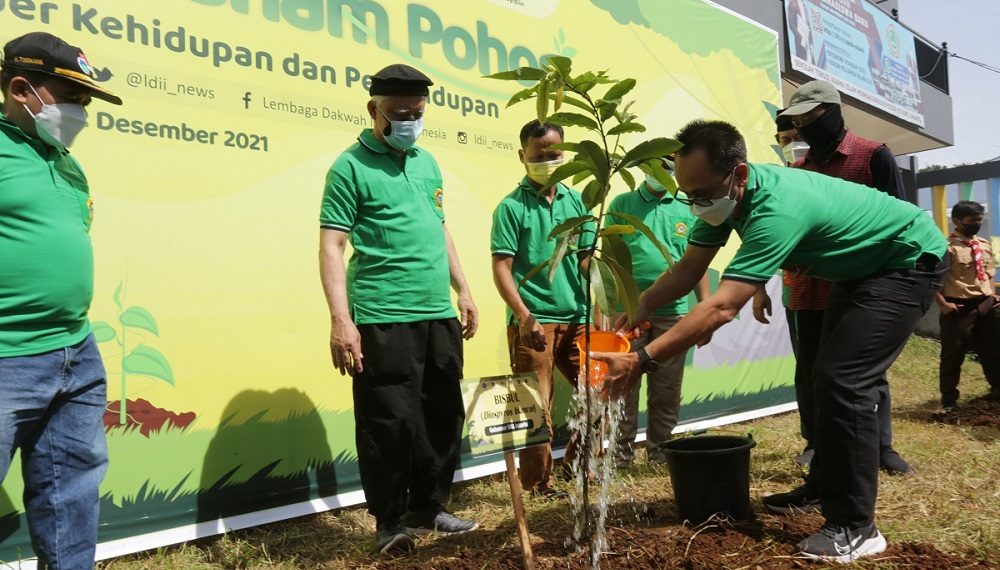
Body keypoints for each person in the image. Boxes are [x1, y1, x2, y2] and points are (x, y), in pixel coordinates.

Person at [594, 120, 947, 563]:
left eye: (702, 193)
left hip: (907, 259)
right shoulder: (724, 200)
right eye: (688, 194)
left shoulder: (777, 207)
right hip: (860, 269)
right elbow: (687, 270)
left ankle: (857, 527)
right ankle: (823, 487)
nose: (695, 204)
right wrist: (640, 306)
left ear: (738, 175)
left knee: (846, 382)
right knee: (823, 379)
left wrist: (642, 360)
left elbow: (722, 307)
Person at [319, 63, 479, 555]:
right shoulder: (349, 166)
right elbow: (332, 245)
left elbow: (440, 228)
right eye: (400, 113)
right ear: (374, 110)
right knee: (387, 421)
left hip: (437, 314)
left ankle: (428, 506)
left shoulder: (427, 162)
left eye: (417, 112)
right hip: (382, 317)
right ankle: (390, 521)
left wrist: (464, 290)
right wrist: (342, 321)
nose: (410, 120)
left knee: (440, 413)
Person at [0, 31, 123, 568]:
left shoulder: (65, 161)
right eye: (72, 100)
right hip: (7, 357)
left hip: (75, 351)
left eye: (86, 102)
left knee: (71, 492)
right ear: (22, 88)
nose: (82, 113)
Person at [766, 80, 913, 476]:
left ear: (832, 111)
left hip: (856, 287)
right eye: (796, 119)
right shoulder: (797, 172)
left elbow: (898, 221)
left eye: (810, 116)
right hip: (805, 290)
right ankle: (816, 443)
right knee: (811, 369)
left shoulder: (873, 157)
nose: (803, 125)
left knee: (865, 370)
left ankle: (881, 446)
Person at [490, 120, 594, 499]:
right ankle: (538, 484)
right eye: (539, 157)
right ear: (522, 157)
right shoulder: (511, 207)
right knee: (536, 410)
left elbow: (585, 259)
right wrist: (524, 315)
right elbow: (501, 266)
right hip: (534, 321)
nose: (548, 162)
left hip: (577, 316)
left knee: (596, 394)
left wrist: (598, 305)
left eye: (555, 155)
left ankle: (579, 469)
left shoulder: (576, 201)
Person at [604, 159, 710, 467]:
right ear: (644, 169)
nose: (660, 174)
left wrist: (704, 310)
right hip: (628, 313)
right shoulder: (623, 203)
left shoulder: (686, 206)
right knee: (624, 384)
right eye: (654, 167)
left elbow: (697, 262)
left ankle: (660, 452)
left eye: (667, 167)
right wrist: (609, 309)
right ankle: (621, 455)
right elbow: (608, 261)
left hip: (674, 314)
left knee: (667, 387)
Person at [937, 200, 1000, 408]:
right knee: (953, 355)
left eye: (979, 220)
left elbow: (988, 272)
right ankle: (949, 400)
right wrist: (943, 304)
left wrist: (991, 293)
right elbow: (932, 280)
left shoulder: (983, 244)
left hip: (985, 305)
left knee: (992, 350)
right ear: (957, 220)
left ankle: (997, 391)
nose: (977, 223)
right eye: (972, 220)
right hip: (958, 308)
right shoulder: (946, 248)